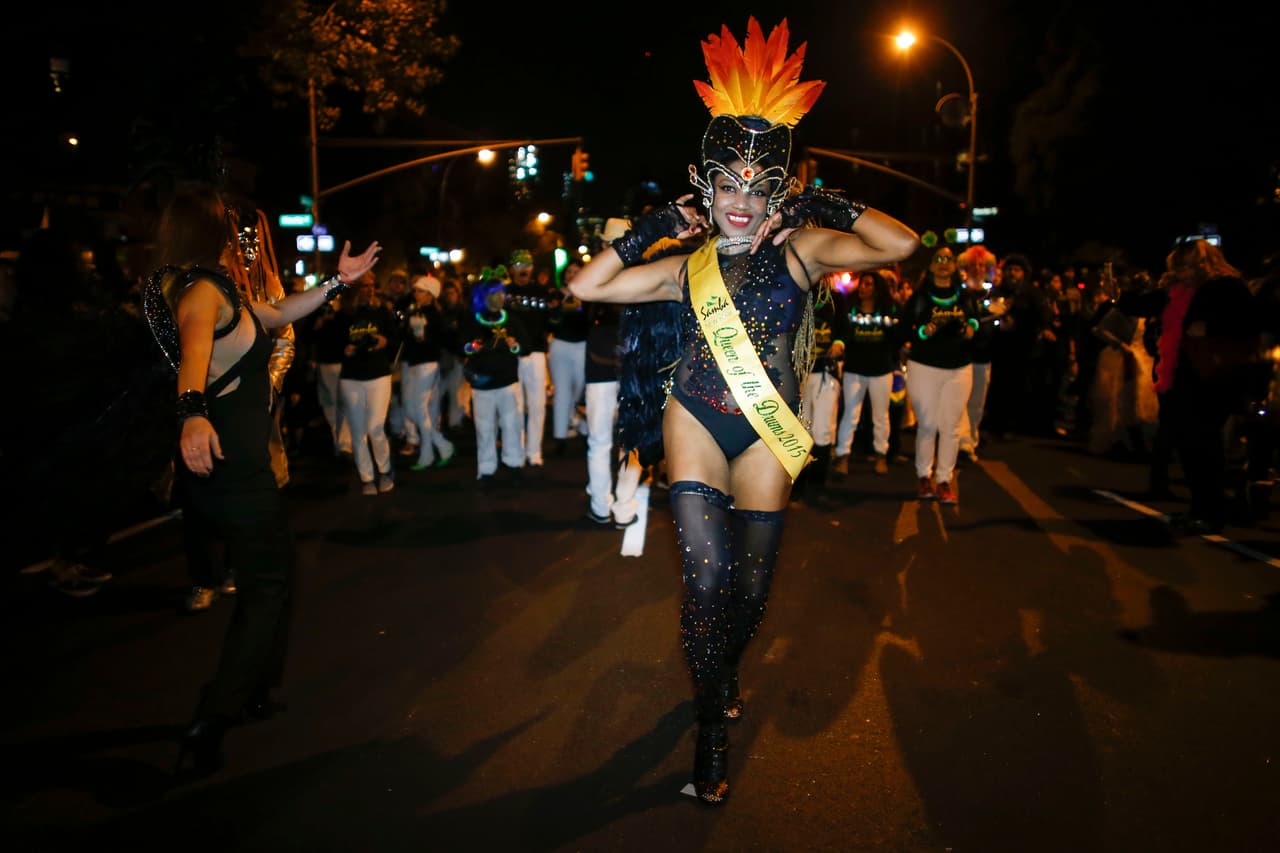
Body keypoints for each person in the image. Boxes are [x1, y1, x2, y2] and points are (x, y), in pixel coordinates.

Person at [567, 17, 918, 805]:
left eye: (760, 188)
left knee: (752, 593)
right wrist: (654, 228)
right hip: (694, 415)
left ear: (779, 191)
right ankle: (712, 732)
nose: (742, 202)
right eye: (729, 185)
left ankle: (722, 671)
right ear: (707, 183)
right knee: (709, 574)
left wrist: (828, 203)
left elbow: (901, 245)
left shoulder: (803, 250)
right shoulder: (682, 264)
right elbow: (586, 288)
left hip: (768, 433)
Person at [143, 182, 379, 774]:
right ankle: (213, 716)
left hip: (237, 469)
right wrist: (191, 414)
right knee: (267, 589)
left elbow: (278, 314)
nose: (242, 233)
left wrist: (336, 283)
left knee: (272, 581)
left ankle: (248, 692)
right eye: (230, 223)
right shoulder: (201, 292)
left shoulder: (224, 290)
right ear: (211, 231)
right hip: (235, 472)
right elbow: (194, 358)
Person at [1118, 238, 1261, 534]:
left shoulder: (1227, 287)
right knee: (1189, 445)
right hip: (1182, 378)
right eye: (1177, 265)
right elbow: (1137, 305)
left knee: (1204, 444)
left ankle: (1211, 512)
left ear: (1201, 263)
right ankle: (1200, 509)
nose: (1180, 270)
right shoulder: (1176, 290)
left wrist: (1206, 328)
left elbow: (1248, 326)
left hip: (1214, 377)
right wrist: (1125, 289)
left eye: (1185, 264)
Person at [902, 245, 983, 505]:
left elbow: (976, 319)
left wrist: (970, 327)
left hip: (958, 368)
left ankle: (944, 479)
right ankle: (923, 475)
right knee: (927, 423)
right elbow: (905, 330)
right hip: (924, 366)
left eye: (948, 259)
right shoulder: (920, 297)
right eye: (939, 259)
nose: (944, 263)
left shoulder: (964, 295)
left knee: (950, 426)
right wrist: (924, 332)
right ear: (931, 266)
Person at [582, 220, 646, 528]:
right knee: (628, 442)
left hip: (607, 368)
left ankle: (604, 505)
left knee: (604, 441)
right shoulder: (643, 272)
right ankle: (619, 507)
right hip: (627, 368)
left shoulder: (596, 272)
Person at [831, 269, 903, 478]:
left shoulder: (890, 310)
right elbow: (843, 332)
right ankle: (843, 455)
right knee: (851, 414)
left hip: (881, 370)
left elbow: (898, 336)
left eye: (869, 284)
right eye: (862, 283)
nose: (863, 287)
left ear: (877, 288)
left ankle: (881, 454)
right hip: (855, 369)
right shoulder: (850, 309)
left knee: (880, 416)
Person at [459, 271, 529, 483]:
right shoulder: (472, 320)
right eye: (495, 294)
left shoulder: (512, 319)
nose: (500, 298)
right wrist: (474, 346)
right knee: (484, 427)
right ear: (484, 296)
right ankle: (487, 467)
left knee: (512, 424)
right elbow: (462, 347)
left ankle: (514, 461)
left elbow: (525, 347)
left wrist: (514, 344)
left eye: (502, 294)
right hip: (483, 385)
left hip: (508, 382)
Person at [339, 272, 401, 495]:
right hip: (352, 377)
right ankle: (366, 477)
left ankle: (385, 470)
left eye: (372, 285)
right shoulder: (345, 314)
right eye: (364, 286)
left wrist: (385, 340)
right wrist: (345, 349)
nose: (369, 289)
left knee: (375, 427)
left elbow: (396, 338)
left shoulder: (381, 310)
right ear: (355, 288)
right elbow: (332, 341)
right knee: (357, 431)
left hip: (378, 374)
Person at [400, 274, 457, 471]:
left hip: (427, 365)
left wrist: (423, 336)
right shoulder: (414, 311)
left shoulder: (434, 315)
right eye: (415, 290)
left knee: (418, 408)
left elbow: (442, 340)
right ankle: (442, 444)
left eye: (421, 291)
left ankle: (427, 454)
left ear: (430, 294)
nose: (416, 294)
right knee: (410, 408)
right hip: (412, 364)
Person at [506, 249, 555, 468]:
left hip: (536, 353)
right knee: (515, 405)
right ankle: (517, 449)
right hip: (512, 354)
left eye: (527, 264)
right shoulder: (504, 293)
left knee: (537, 405)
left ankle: (534, 451)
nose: (523, 269)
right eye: (518, 264)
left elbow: (552, 320)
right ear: (511, 268)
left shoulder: (542, 292)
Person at [548, 260, 590, 455]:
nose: (573, 274)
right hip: (560, 345)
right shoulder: (555, 294)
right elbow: (551, 321)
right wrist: (559, 304)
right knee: (562, 391)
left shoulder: (590, 293)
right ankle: (560, 436)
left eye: (577, 271)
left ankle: (582, 426)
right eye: (570, 272)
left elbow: (590, 321)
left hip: (582, 345)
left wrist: (580, 302)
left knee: (581, 390)